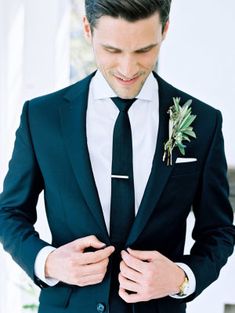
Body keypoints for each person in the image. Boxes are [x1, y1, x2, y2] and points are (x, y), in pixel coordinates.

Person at [0, 1, 234, 312]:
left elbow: (218, 231)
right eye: (112, 50)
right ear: (87, 29)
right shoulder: (41, 117)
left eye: (143, 51)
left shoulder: (203, 122)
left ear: (165, 30)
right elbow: (9, 213)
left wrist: (182, 278)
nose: (127, 69)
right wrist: (48, 262)